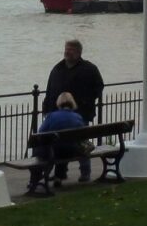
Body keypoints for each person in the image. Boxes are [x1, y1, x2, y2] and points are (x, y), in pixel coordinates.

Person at [43, 39, 104, 183]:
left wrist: (86, 102)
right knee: (59, 143)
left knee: (81, 142)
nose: (67, 51)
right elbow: (49, 90)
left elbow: (99, 86)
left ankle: (85, 172)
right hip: (57, 113)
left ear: (78, 52)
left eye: (70, 49)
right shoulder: (57, 69)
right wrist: (47, 107)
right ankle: (60, 173)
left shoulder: (89, 69)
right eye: (66, 48)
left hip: (81, 114)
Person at [30, 93, 86, 190]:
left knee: (43, 150)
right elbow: (83, 136)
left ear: (58, 103)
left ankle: (35, 179)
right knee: (65, 146)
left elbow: (41, 133)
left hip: (53, 152)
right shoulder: (78, 117)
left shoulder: (51, 116)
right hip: (72, 152)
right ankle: (59, 177)